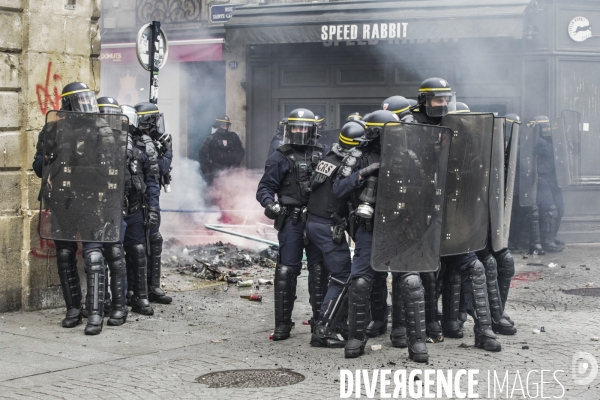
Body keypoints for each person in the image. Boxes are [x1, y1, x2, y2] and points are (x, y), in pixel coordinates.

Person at [414, 77, 502, 352]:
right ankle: (428, 327)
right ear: (424, 100)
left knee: (474, 267)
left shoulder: (457, 127)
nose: (441, 104)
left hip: (452, 215)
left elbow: (473, 168)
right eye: (436, 100)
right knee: (427, 273)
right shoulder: (411, 127)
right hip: (422, 216)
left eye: (444, 99)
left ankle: (484, 331)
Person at [33, 83, 128, 335]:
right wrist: (48, 159)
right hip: (61, 199)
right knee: (64, 254)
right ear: (68, 104)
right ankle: (73, 309)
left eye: (88, 99)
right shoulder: (52, 129)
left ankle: (95, 314)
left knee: (93, 255)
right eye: (81, 100)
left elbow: (114, 168)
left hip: (90, 198)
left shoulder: (101, 129)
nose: (86, 105)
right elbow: (38, 168)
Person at [256, 108, 324, 341]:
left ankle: (320, 322)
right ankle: (283, 324)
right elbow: (264, 188)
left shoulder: (322, 154)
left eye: (304, 127)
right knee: (286, 271)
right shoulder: (279, 156)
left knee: (319, 271)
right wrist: (270, 204)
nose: (300, 132)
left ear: (312, 129)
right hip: (291, 220)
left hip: (316, 221)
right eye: (296, 127)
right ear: (289, 128)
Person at [306, 122, 369, 348]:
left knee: (325, 274)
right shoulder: (348, 165)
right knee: (342, 276)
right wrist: (361, 174)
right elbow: (340, 191)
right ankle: (323, 330)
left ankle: (334, 323)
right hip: (325, 227)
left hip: (313, 223)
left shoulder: (329, 158)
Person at [134, 102, 174, 304]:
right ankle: (140, 290)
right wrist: (168, 152)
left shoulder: (151, 140)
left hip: (150, 197)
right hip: (143, 200)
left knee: (154, 241)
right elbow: (160, 168)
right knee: (141, 245)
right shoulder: (142, 142)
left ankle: (153, 286)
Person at [532, 116, 564, 253]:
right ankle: (547, 241)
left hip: (553, 179)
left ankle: (552, 236)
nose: (546, 129)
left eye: (548, 127)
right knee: (549, 210)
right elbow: (551, 151)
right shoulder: (537, 141)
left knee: (560, 208)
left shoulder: (550, 140)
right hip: (541, 179)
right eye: (543, 127)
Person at [198, 115, 245, 184]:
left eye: (227, 124)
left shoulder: (233, 136)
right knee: (216, 193)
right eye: (223, 124)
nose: (225, 126)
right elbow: (202, 154)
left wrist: (236, 164)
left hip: (231, 171)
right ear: (218, 124)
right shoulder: (211, 138)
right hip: (215, 171)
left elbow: (241, 151)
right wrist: (206, 172)